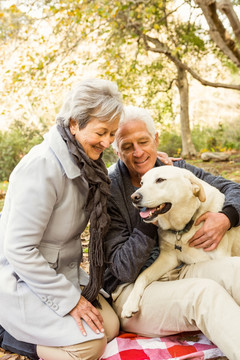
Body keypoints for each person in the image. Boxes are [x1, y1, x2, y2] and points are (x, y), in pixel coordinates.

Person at [0, 78, 124, 360]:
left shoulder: (88, 163)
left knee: (111, 326)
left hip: (60, 273)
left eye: (112, 133)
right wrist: (71, 302)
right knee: (90, 346)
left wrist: (152, 165)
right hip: (21, 279)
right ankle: (6, 334)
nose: (107, 142)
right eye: (101, 132)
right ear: (73, 124)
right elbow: (19, 250)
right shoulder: (41, 167)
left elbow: (116, 178)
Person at [103, 105, 240, 360]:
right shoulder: (109, 190)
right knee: (205, 294)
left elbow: (233, 189)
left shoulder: (176, 171)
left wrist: (225, 217)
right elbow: (122, 270)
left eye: (143, 141)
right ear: (116, 150)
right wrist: (148, 216)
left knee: (236, 268)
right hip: (131, 291)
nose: (139, 152)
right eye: (128, 146)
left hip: (180, 269)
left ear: (155, 140)